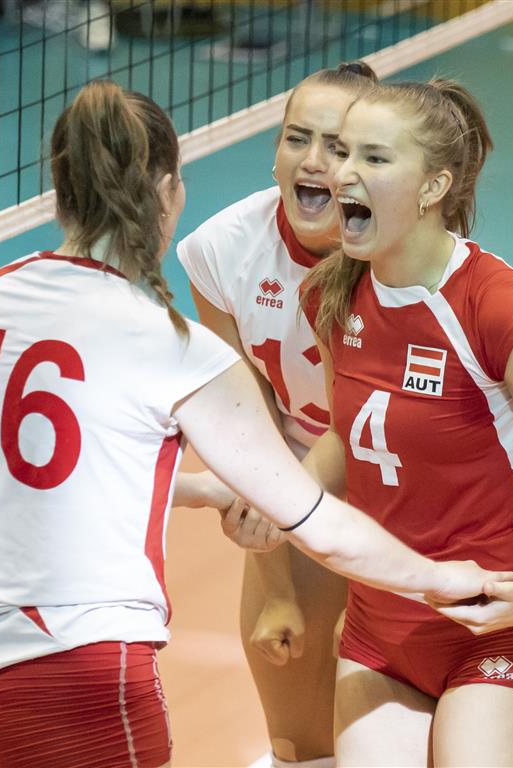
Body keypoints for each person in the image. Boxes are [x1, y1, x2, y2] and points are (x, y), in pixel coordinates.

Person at [0, 79, 513, 768]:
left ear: (59, 189)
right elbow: (315, 519)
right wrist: (435, 578)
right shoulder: (173, 347)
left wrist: (200, 491)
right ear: (169, 192)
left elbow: (51, 469)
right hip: (75, 667)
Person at [298, 78, 513, 766]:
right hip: (379, 632)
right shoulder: (332, 292)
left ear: (433, 187)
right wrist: (272, 498)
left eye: (374, 157)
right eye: (343, 152)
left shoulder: (495, 306)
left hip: (496, 627)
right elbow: (349, 435)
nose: (343, 173)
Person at [173, 61, 377, 768]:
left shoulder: (398, 257)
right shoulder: (221, 251)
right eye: (297, 138)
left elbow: (363, 424)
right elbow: (246, 425)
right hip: (296, 479)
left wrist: (281, 504)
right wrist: (276, 583)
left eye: (338, 146)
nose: (313, 160)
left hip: (409, 487)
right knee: (300, 742)